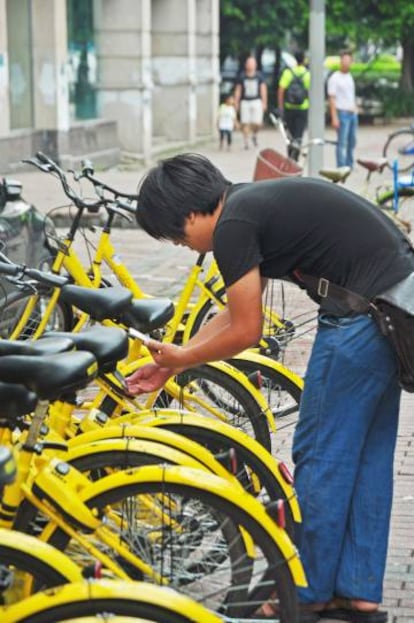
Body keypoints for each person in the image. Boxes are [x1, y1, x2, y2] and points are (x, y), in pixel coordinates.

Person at [127, 152, 414, 623]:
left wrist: (182, 359)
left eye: (177, 235)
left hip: (361, 320)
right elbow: (233, 310)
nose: (184, 246)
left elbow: (246, 330)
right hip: (393, 313)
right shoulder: (246, 205)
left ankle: (307, 590)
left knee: (320, 452)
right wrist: (174, 361)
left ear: (192, 212)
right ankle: (358, 593)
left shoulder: (231, 227)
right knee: (365, 456)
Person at [327, 50, 358, 168]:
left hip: (352, 113)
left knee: (352, 141)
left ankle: (349, 164)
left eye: (348, 61)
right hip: (342, 114)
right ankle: (341, 166)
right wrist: (334, 117)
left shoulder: (349, 76)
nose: (346, 63)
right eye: (344, 60)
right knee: (342, 142)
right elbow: (332, 98)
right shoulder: (335, 78)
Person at [278, 51, 311, 161]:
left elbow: (281, 90)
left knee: (289, 135)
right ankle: (295, 157)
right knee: (298, 135)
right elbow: (310, 91)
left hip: (289, 108)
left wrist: (281, 107)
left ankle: (290, 156)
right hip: (302, 108)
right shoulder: (307, 74)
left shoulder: (288, 73)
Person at [234, 56, 267, 150]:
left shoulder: (259, 76)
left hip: (256, 100)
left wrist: (264, 102)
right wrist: (236, 102)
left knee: (257, 123)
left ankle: (254, 135)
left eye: (252, 63)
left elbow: (263, 89)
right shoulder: (242, 76)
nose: (250, 65)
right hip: (245, 101)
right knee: (245, 123)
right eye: (249, 63)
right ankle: (246, 142)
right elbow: (238, 90)